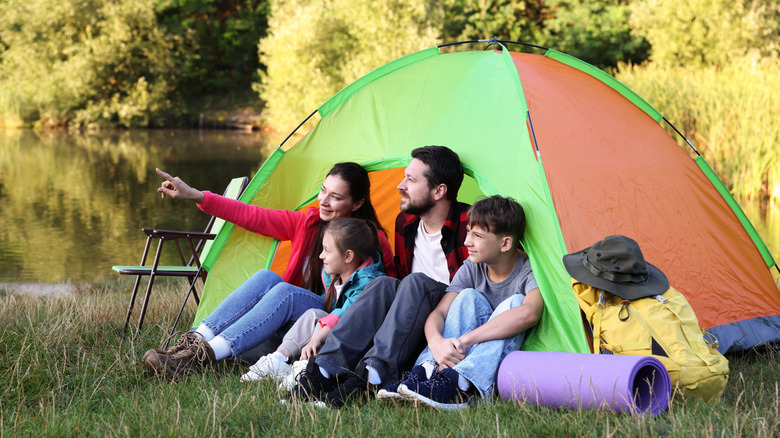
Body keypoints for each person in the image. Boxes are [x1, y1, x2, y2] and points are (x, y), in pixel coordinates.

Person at [141, 163, 395, 379]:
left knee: (287, 292)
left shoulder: (369, 239)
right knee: (267, 277)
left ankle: (200, 357)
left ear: (357, 203)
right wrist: (197, 196)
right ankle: (189, 345)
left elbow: (383, 293)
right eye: (323, 191)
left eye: (336, 197)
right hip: (295, 321)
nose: (324, 202)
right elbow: (251, 215)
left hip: (332, 323)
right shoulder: (308, 223)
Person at [293, 145, 470, 407]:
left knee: (415, 281)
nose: (400, 185)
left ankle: (372, 377)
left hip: (447, 314)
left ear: (439, 191)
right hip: (409, 314)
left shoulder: (469, 223)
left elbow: (475, 286)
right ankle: (325, 370)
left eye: (410, 180)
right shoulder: (405, 223)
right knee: (384, 283)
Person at [386, 196, 544, 410]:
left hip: (494, 353)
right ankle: (426, 371)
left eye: (477, 235)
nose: (467, 241)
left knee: (515, 303)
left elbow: (529, 313)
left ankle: (462, 386)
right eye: (468, 231)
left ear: (505, 243)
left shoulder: (527, 269)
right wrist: (436, 343)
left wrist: (465, 340)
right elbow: (439, 313)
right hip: (464, 349)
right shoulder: (472, 267)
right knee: (467, 297)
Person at [238, 218, 385, 384]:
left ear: (348, 256)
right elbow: (328, 309)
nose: (321, 255)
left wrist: (316, 338)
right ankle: (279, 358)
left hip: (355, 342)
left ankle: (305, 367)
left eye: (327, 251)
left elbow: (344, 314)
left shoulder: (368, 282)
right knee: (314, 314)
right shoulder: (333, 275)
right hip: (333, 332)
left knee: (320, 318)